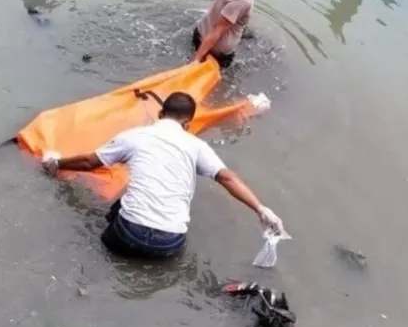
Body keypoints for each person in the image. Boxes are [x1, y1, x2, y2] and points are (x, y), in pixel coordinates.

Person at [41, 92, 284, 260]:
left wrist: (56, 162)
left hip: (127, 234)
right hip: (169, 244)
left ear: (160, 113)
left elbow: (89, 162)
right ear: (188, 123)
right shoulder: (196, 146)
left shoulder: (134, 136)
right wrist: (261, 209)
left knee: (119, 207)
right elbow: (228, 178)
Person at [192, 0, 254, 69]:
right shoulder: (242, 0)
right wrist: (197, 59)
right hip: (215, 54)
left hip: (200, 34)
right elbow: (217, 30)